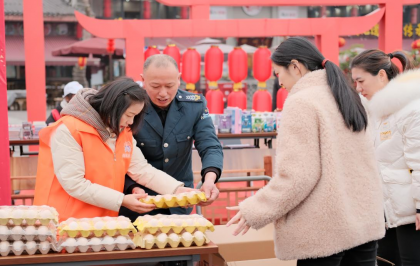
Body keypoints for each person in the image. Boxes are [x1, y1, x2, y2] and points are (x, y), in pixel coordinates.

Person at [226, 37, 385, 266]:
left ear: (295, 66)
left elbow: (298, 176)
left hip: (324, 232)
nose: (279, 81)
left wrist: (255, 209)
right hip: (363, 224)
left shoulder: (302, 101)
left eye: (278, 73)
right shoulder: (349, 97)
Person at [34, 77, 194, 221]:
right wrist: (122, 200)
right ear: (113, 107)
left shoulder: (122, 131)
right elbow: (75, 184)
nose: (131, 122)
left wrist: (176, 189)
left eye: (135, 116)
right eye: (129, 115)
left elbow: (142, 169)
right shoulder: (69, 129)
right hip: (66, 224)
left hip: (102, 224)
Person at [120, 54, 223, 220]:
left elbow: (210, 145)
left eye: (169, 85)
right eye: (155, 86)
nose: (163, 93)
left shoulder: (193, 106)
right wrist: (131, 187)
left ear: (179, 79)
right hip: (139, 200)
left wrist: (210, 179)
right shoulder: (129, 106)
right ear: (143, 80)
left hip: (179, 201)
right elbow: (118, 154)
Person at [351, 50, 420, 266]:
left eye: (361, 80)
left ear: (381, 75)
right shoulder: (375, 111)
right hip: (386, 208)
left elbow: (418, 162)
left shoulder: (411, 110)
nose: (358, 88)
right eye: (355, 82)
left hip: (411, 211)